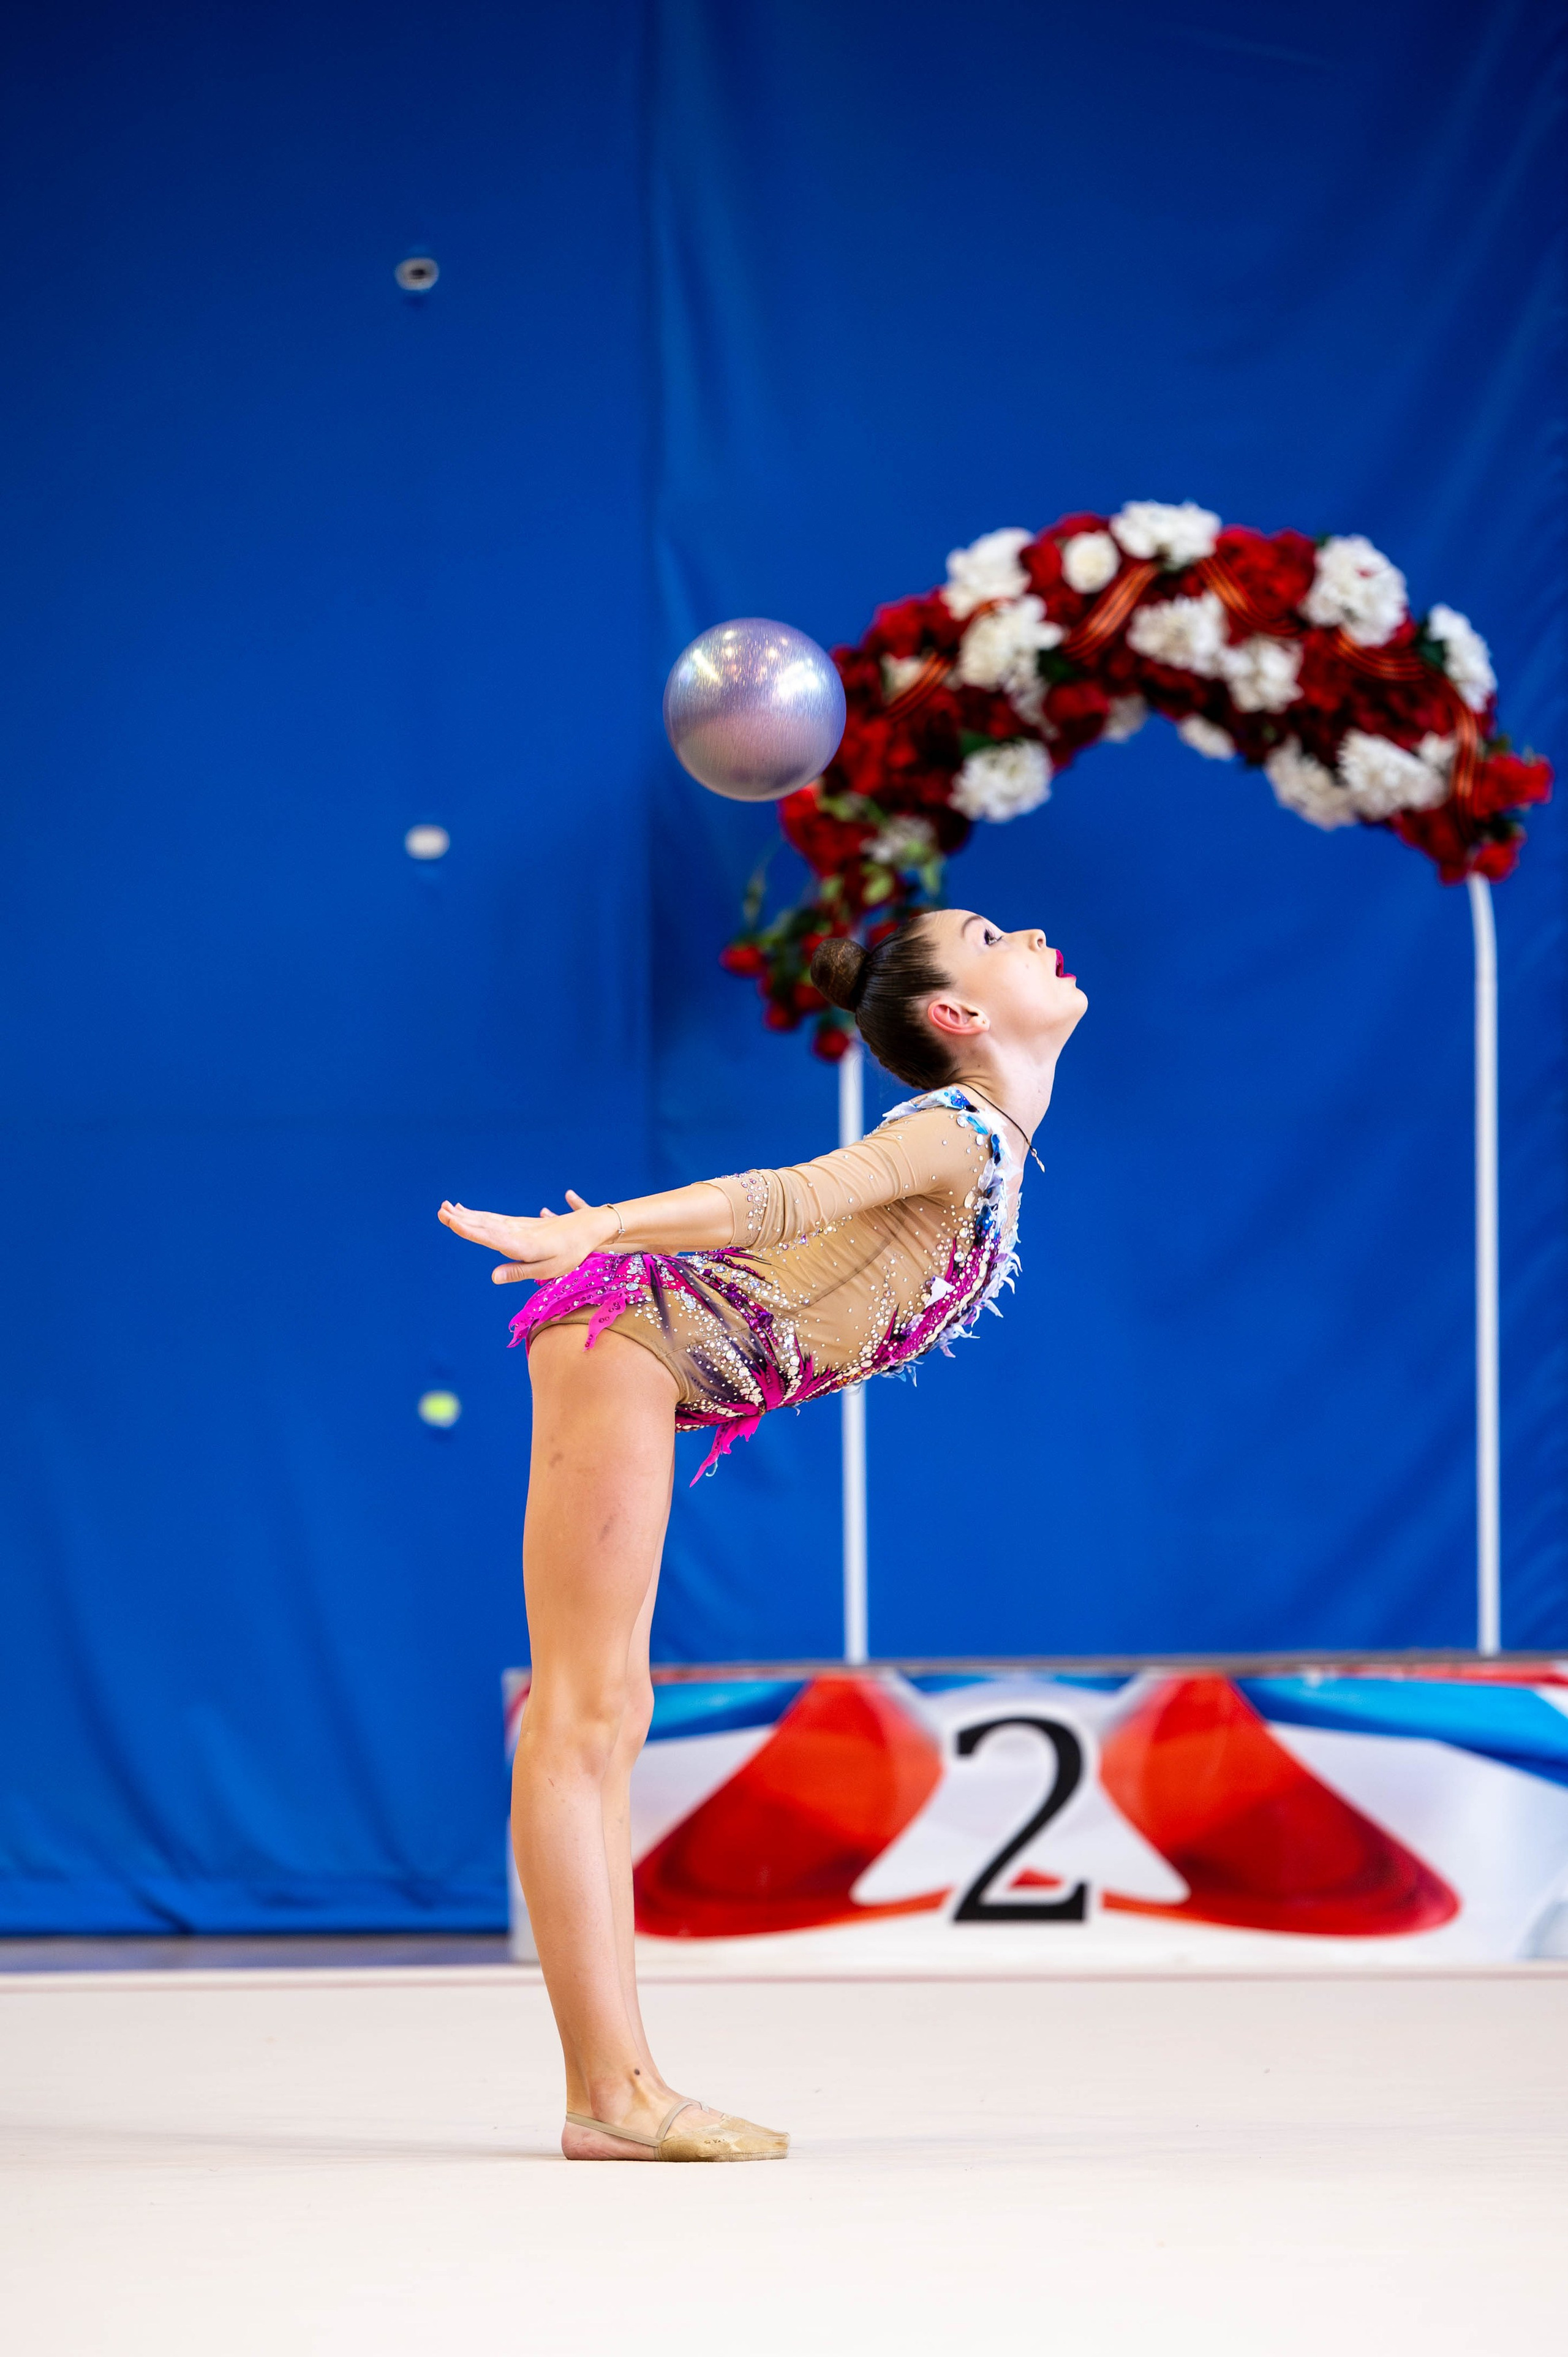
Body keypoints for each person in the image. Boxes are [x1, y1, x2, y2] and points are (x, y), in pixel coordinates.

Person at [439, 910, 1087, 2161]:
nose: (1035, 932)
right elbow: (785, 1199)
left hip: (644, 1350)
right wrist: (602, 1226)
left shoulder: (988, 1138)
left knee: (601, 1712)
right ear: (954, 1016)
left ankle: (612, 2091)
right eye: (995, 933)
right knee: (586, 1712)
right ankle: (609, 2096)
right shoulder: (949, 1129)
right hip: (625, 1330)